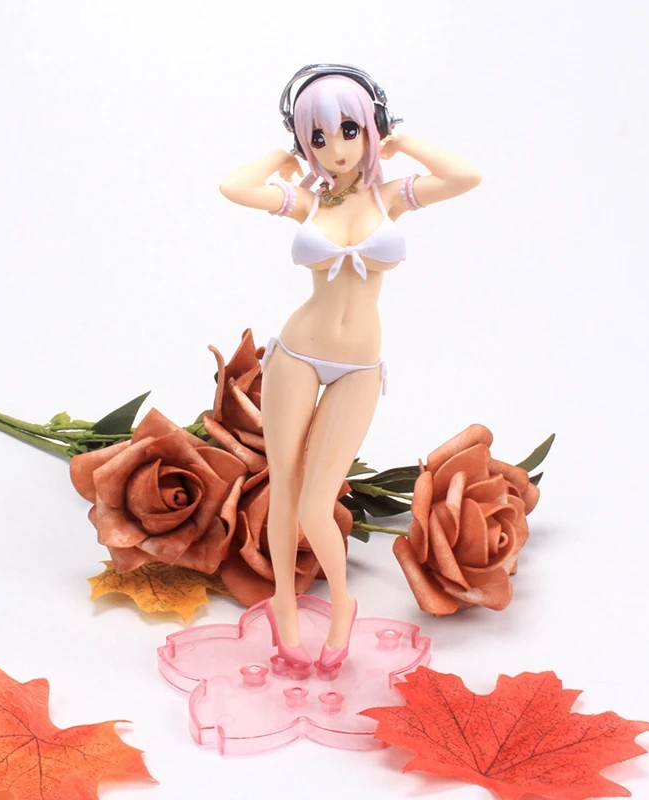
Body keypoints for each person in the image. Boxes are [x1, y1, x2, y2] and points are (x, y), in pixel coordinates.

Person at [219, 64, 481, 671]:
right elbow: (233, 187)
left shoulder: (391, 197)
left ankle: (342, 606)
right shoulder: (308, 201)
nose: (334, 149)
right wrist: (283, 156)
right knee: (285, 488)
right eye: (318, 137)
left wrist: (401, 141)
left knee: (317, 503)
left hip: (359, 366)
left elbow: (466, 176)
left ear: (369, 128)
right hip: (296, 354)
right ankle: (285, 606)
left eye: (348, 130)